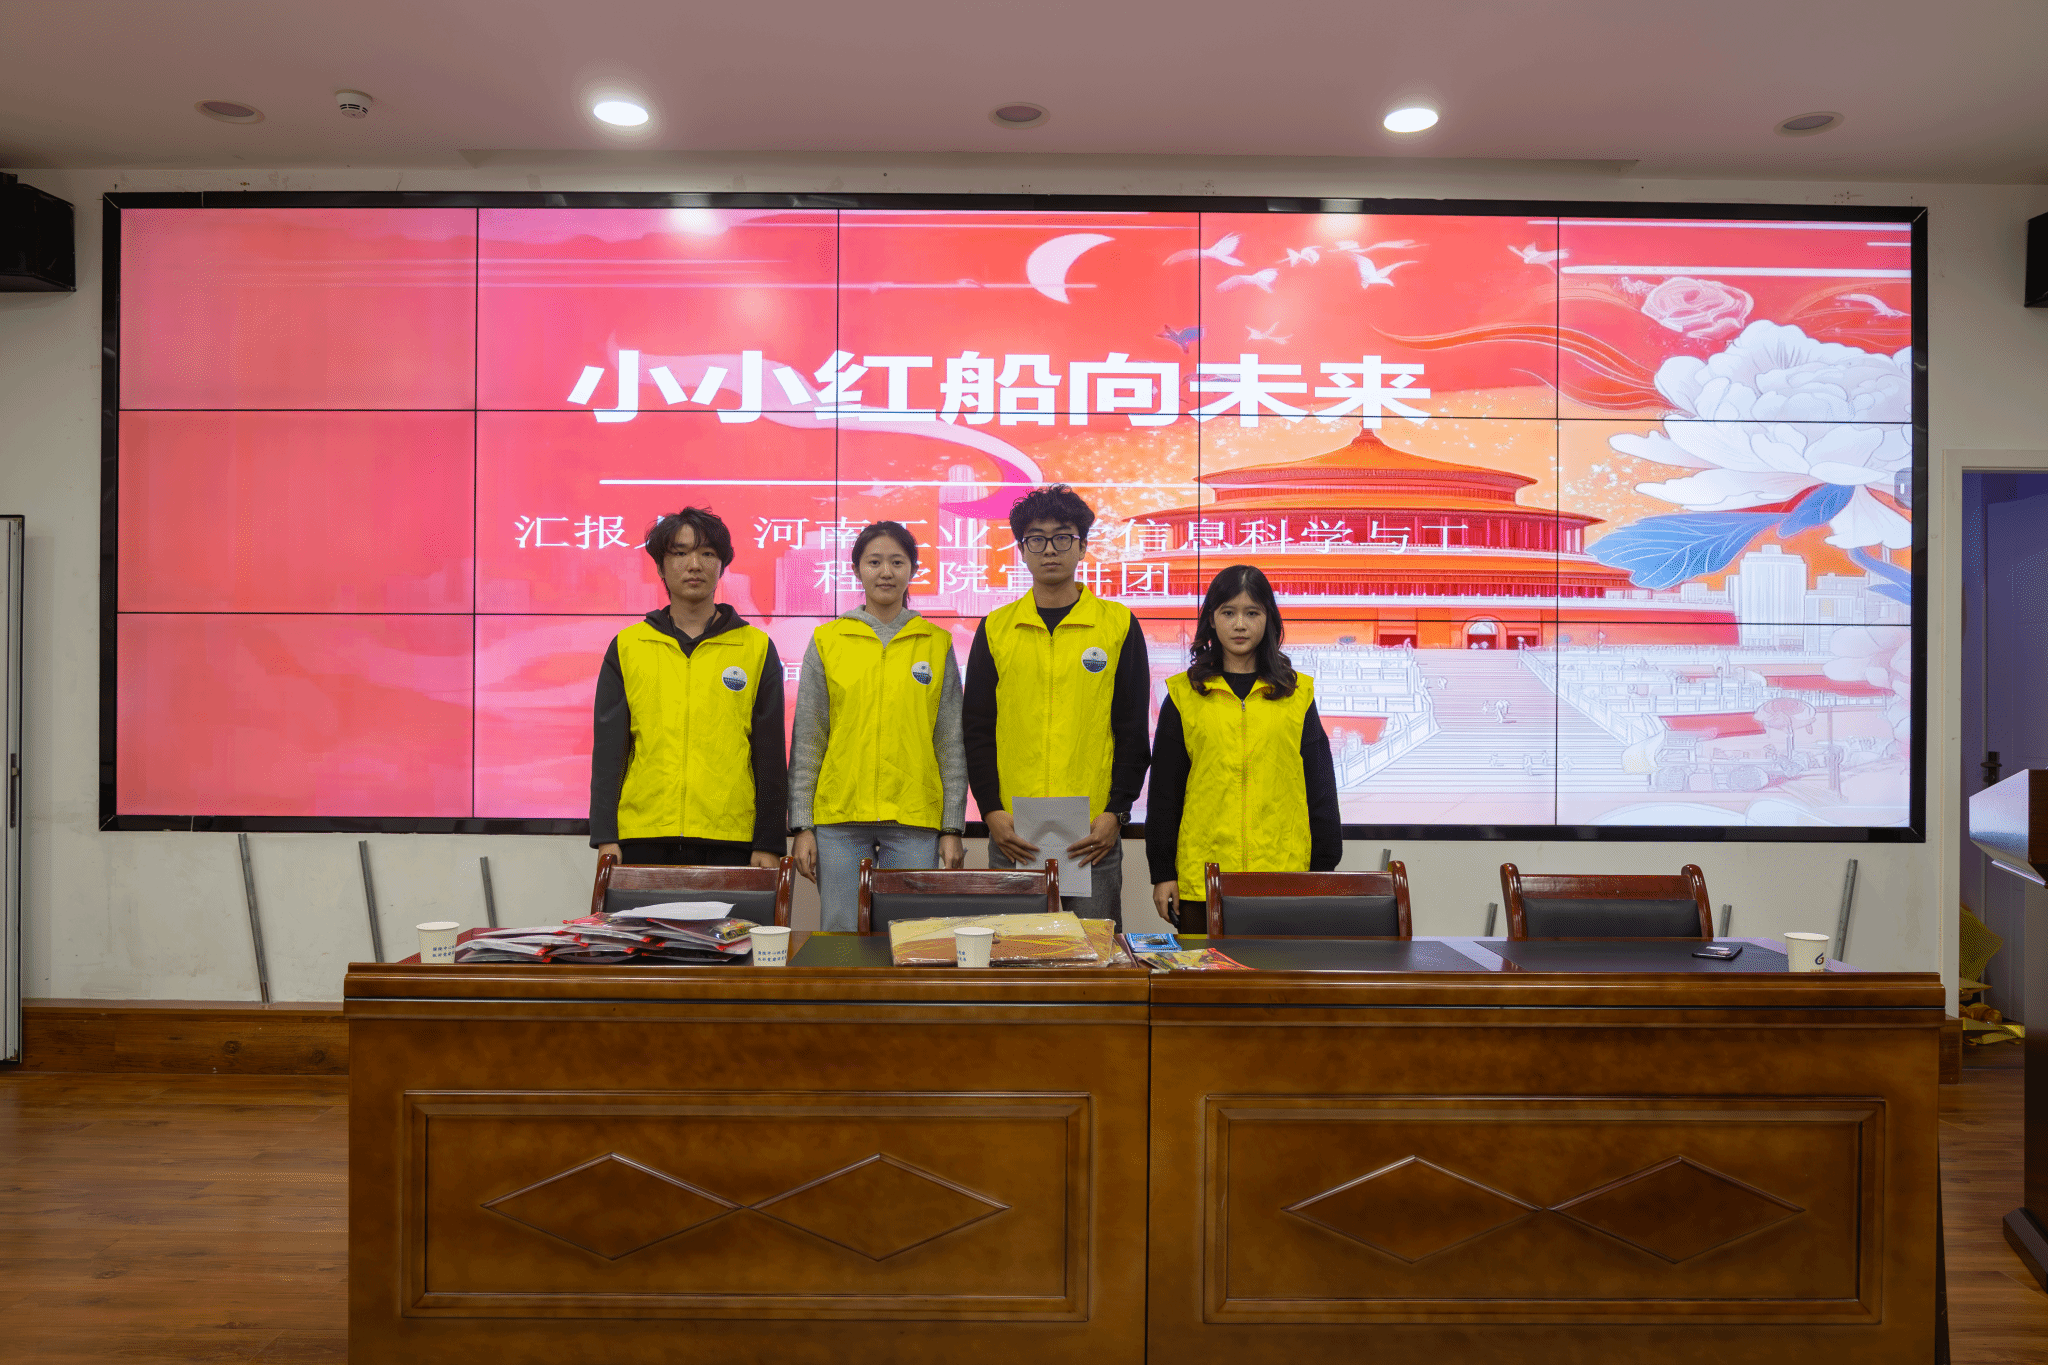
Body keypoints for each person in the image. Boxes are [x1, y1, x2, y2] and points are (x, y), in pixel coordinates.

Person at [964, 484, 1150, 925]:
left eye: (1063, 537)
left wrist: (1116, 813)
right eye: (1037, 539)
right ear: (1021, 550)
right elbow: (976, 729)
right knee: (1017, 953)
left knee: (1094, 954)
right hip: (1014, 831)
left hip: (1091, 834)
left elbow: (1131, 730)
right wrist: (990, 811)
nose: (1050, 549)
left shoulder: (1117, 625)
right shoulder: (996, 629)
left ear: (1082, 547)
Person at [788, 522, 968, 930]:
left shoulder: (935, 643)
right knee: (841, 933)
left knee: (908, 936)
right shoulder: (828, 640)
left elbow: (949, 742)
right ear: (857, 570)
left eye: (897, 562)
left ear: (913, 570)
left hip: (914, 818)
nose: (885, 572)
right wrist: (802, 826)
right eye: (874, 562)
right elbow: (809, 739)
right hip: (839, 818)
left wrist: (951, 827)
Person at [1145, 564, 1342, 929]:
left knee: (1278, 968)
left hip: (1284, 878)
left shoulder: (1296, 694)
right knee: (1205, 968)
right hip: (1202, 880)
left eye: (1252, 613)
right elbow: (1164, 794)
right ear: (1211, 619)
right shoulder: (1184, 695)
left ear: (1268, 619)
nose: (1240, 625)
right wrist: (1163, 871)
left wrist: (1322, 868)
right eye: (1228, 613)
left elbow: (1320, 786)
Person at [589, 507, 787, 869]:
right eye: (680, 553)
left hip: (731, 837)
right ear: (661, 567)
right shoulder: (629, 646)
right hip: (643, 836)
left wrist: (769, 841)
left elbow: (769, 753)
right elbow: (609, 751)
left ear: (722, 565)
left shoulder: (756, 647)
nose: (694, 565)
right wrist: (605, 835)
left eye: (707, 553)